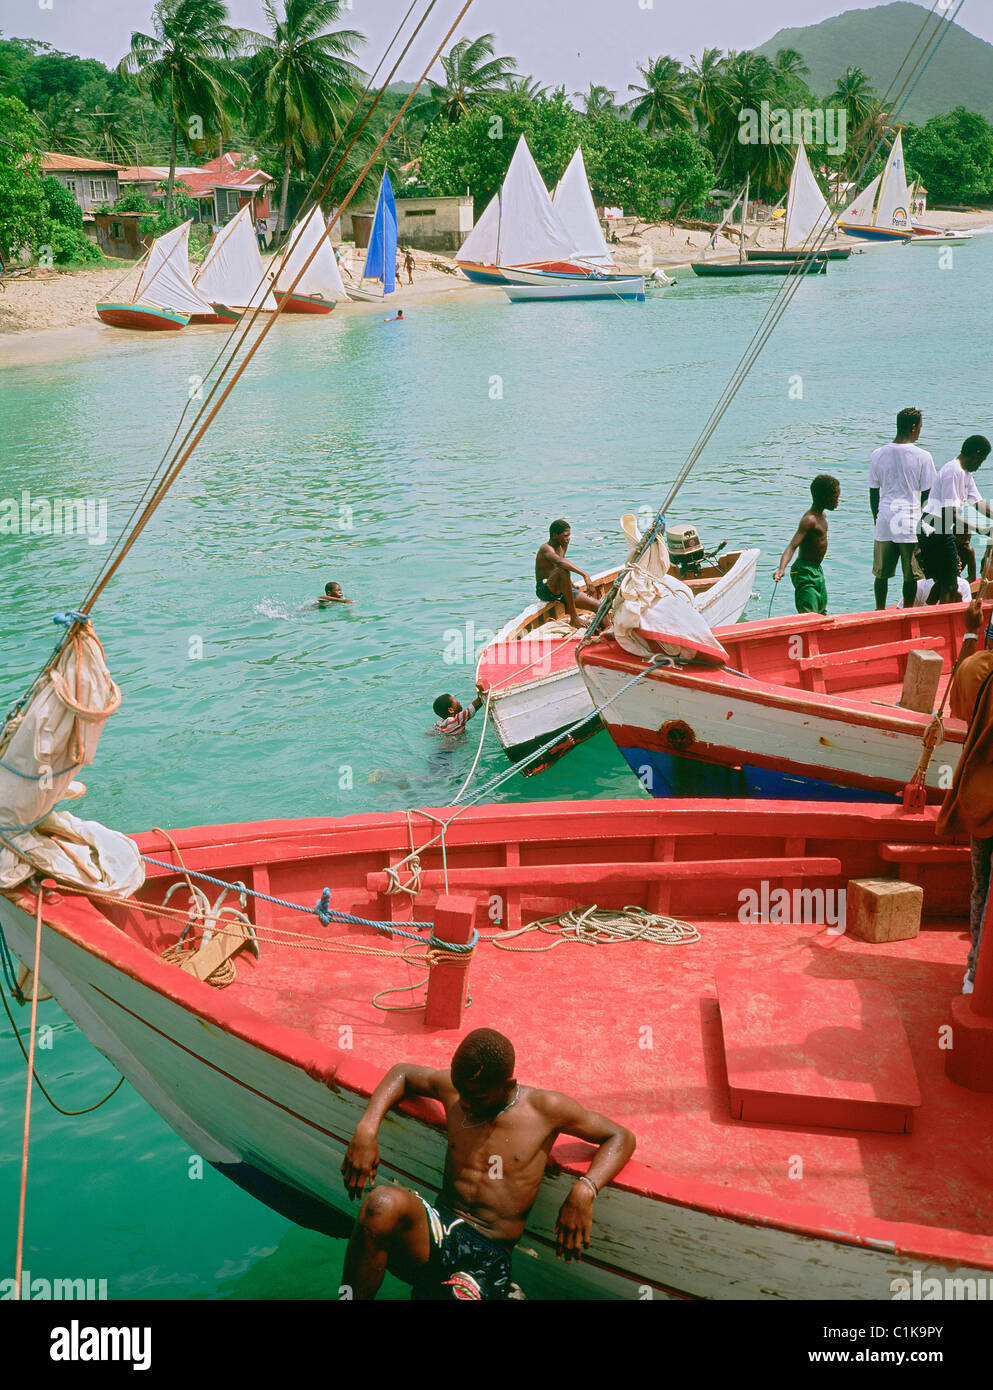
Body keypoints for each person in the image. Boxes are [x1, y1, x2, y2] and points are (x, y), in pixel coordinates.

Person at [340, 1028, 636, 1300]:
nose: (464, 1104)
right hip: (440, 1228)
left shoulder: (544, 1110)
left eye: (476, 1097)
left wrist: (585, 1190)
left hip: (488, 1253)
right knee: (380, 1204)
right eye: (461, 1091)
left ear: (508, 1085)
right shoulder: (457, 1090)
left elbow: (620, 1137)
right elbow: (402, 1074)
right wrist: (366, 1130)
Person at [936, 598, 993, 994]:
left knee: (982, 883)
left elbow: (958, 701)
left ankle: (975, 971)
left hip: (981, 800)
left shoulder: (977, 669)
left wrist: (970, 633)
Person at [869, 407, 937, 610]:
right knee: (910, 576)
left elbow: (874, 493)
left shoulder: (877, 454)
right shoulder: (923, 456)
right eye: (920, 427)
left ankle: (879, 610)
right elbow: (928, 496)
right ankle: (907, 612)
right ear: (914, 427)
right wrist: (928, 527)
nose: (920, 431)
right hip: (909, 521)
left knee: (881, 574)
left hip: (885, 519)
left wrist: (877, 519)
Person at [918, 435, 992, 604]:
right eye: (981, 460)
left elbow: (978, 503)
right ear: (976, 454)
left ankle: (929, 609)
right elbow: (949, 514)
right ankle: (938, 617)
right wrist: (983, 529)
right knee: (950, 582)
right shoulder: (953, 471)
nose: (980, 466)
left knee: (943, 578)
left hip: (941, 527)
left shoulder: (966, 473)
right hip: (933, 526)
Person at [773, 475, 841, 614]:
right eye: (835, 497)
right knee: (809, 613)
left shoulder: (823, 516)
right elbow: (792, 546)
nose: (838, 501)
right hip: (804, 571)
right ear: (825, 497)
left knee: (821, 610)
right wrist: (781, 568)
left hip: (816, 570)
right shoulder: (810, 520)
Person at [535, 520, 597, 629]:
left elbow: (559, 565)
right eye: (565, 535)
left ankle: (609, 634)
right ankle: (574, 617)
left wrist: (571, 585)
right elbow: (560, 563)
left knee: (599, 606)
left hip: (560, 588)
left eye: (569, 535)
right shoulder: (546, 548)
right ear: (555, 535)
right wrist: (585, 575)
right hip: (546, 589)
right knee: (562, 570)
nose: (568, 538)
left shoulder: (563, 544)